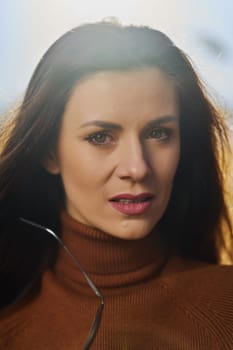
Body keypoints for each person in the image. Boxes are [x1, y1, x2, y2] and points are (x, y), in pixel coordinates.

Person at [0, 20, 232, 350]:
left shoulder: (226, 307)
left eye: (158, 134)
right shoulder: (9, 331)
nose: (137, 168)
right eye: (100, 137)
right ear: (49, 152)